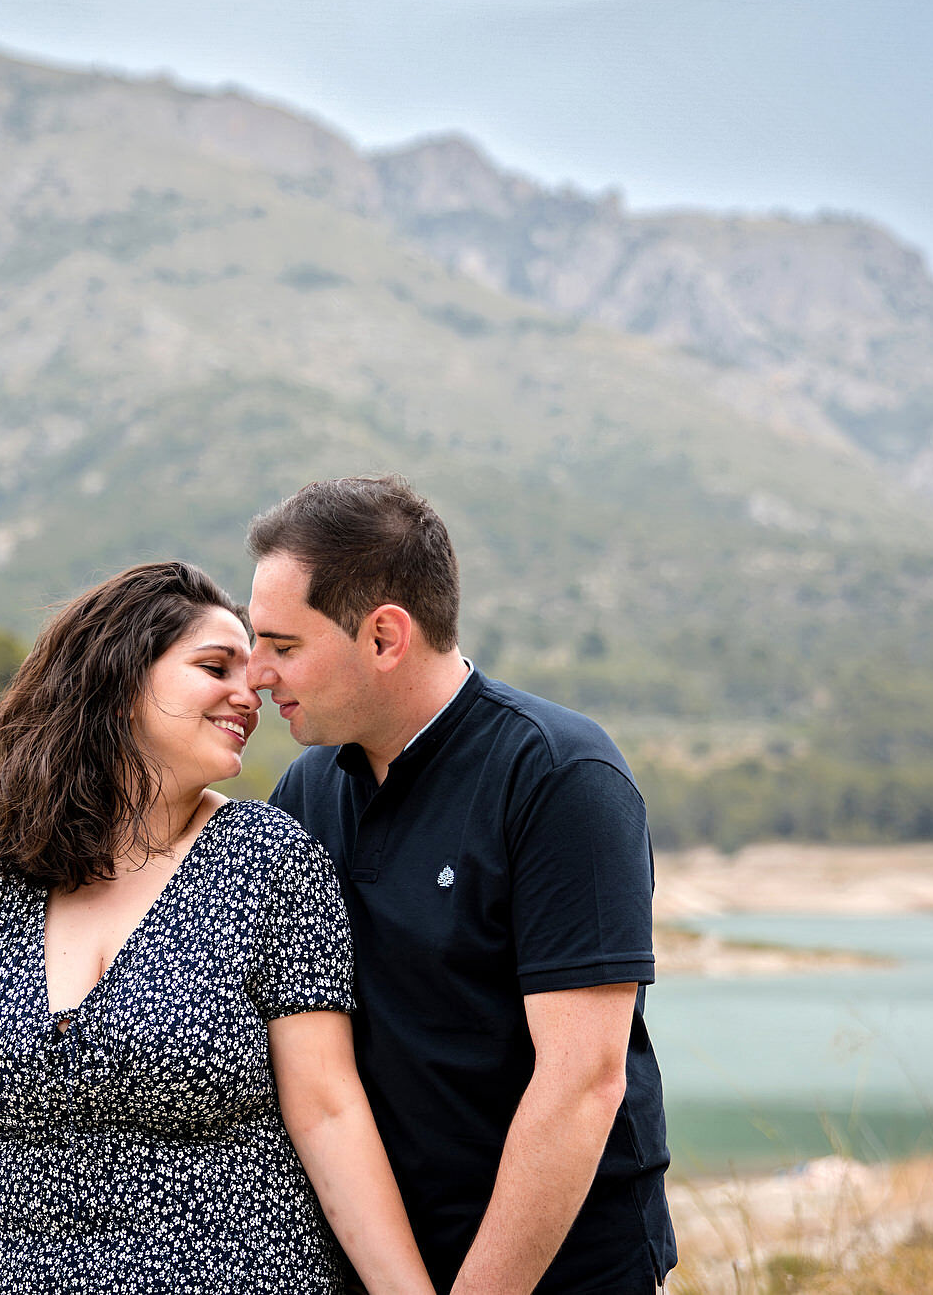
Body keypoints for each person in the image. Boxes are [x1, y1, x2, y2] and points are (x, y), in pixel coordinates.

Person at [0, 561, 435, 1295]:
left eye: (254, 669)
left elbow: (329, 1114)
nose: (252, 692)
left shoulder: (271, 860)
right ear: (120, 681)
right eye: (215, 666)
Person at [243, 476, 677, 1293]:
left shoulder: (558, 774)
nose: (257, 672)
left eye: (284, 645)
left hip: (564, 1275)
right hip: (373, 1269)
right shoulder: (303, 795)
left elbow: (583, 1083)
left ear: (384, 637)